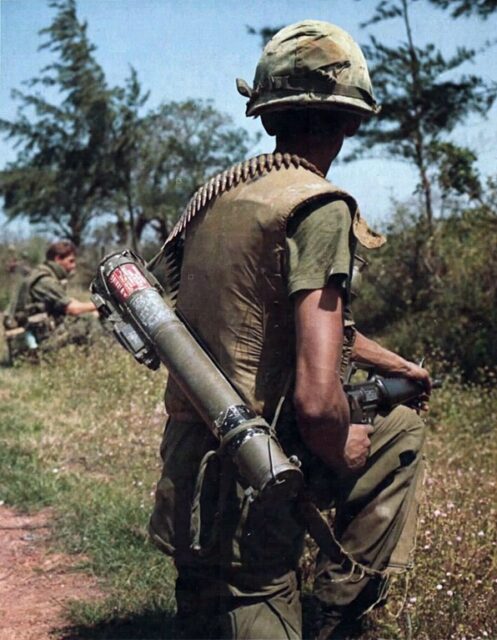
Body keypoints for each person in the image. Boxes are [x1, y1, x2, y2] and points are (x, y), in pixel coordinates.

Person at [148, 20, 431, 640]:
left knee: (207, 613)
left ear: (268, 113)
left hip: (191, 476)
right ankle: (334, 611)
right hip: (257, 485)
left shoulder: (220, 198)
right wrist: (342, 445)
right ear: (352, 120)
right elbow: (313, 398)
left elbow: (265, 321)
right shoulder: (319, 205)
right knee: (399, 430)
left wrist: (398, 369)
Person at [4, 239, 98, 359]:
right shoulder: (45, 281)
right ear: (58, 259)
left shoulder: (42, 274)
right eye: (71, 261)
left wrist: (93, 307)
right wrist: (102, 303)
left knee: (90, 314)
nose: (73, 266)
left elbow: (70, 301)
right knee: (87, 320)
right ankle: (97, 357)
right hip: (31, 347)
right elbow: (72, 309)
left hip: (32, 340)